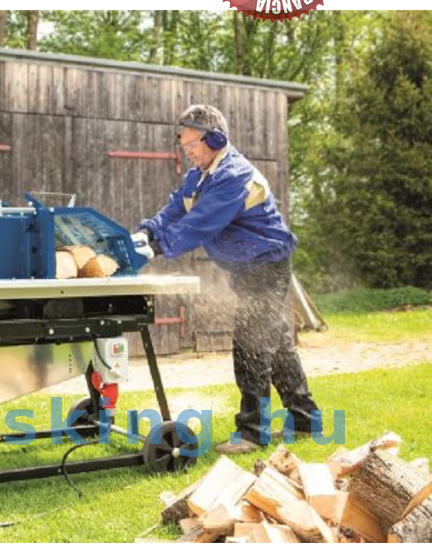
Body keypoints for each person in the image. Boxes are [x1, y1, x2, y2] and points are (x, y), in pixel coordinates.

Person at [134, 104, 322, 454]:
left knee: (251, 345)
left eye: (193, 144)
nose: (188, 152)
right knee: (277, 344)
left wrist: (156, 248)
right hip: (248, 266)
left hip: (267, 264)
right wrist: (147, 232)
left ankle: (252, 433)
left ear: (216, 140)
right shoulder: (200, 175)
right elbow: (176, 208)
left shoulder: (234, 174)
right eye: (184, 145)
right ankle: (305, 421)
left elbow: (199, 223)